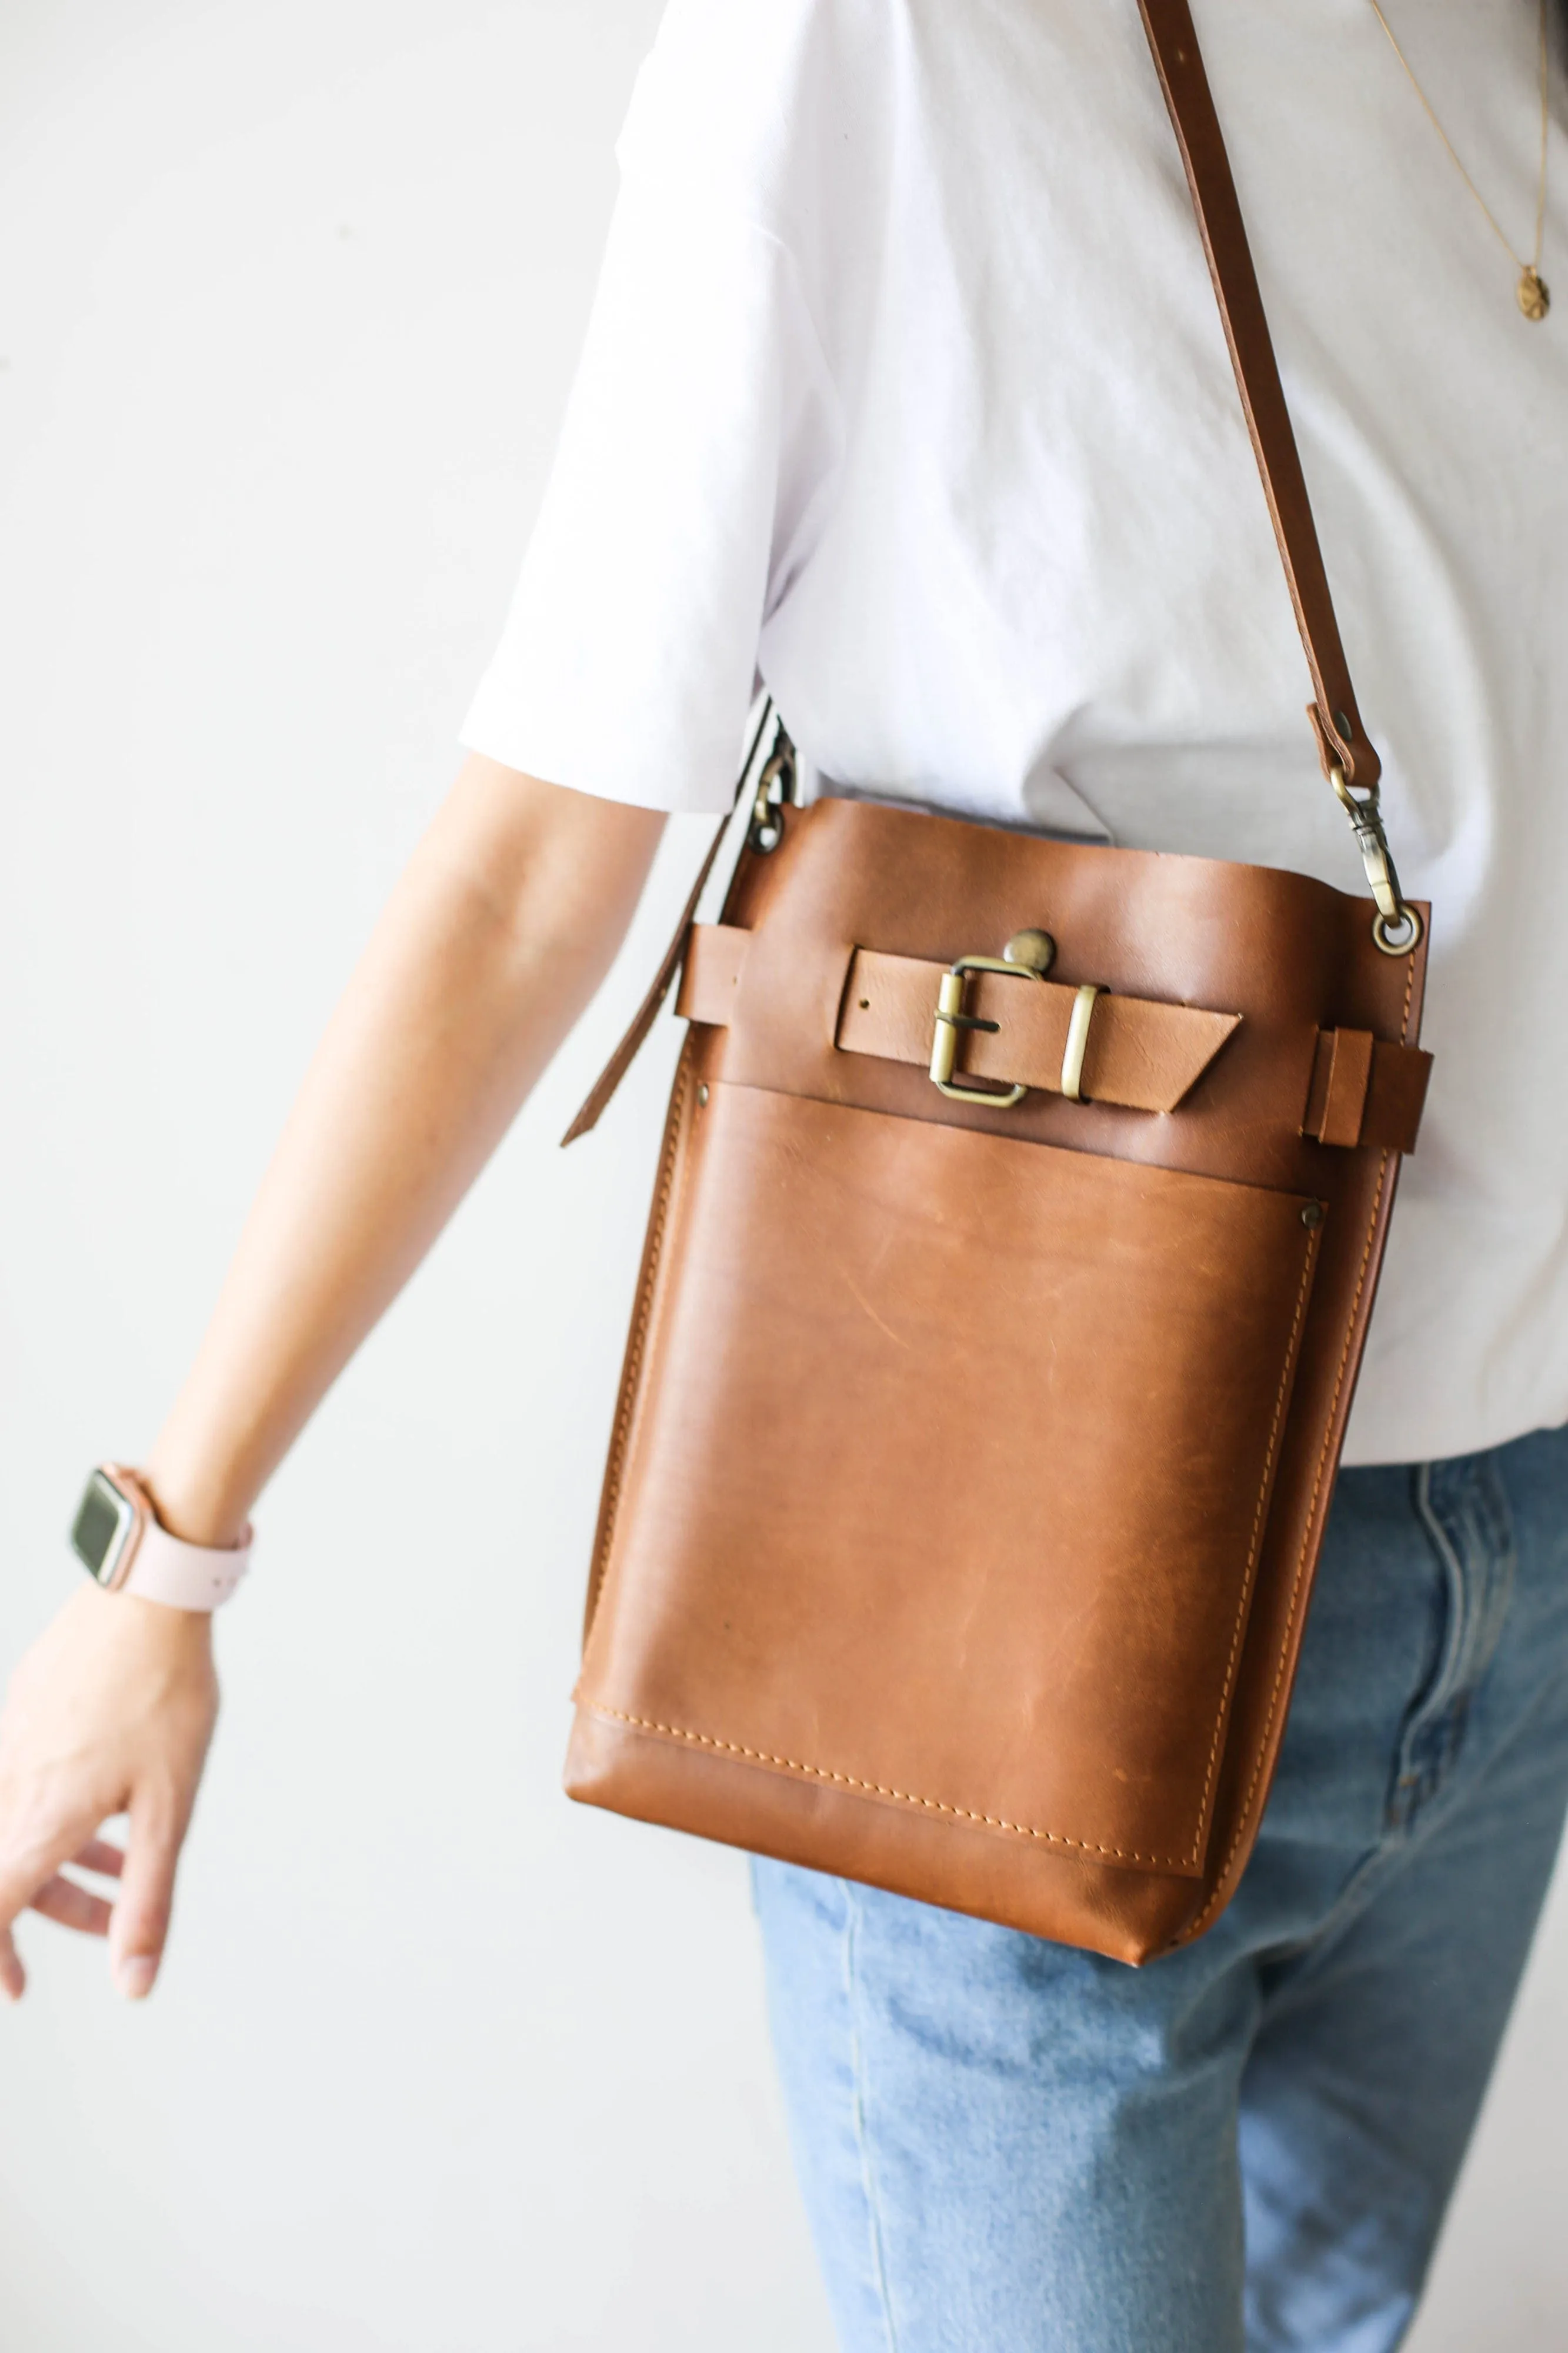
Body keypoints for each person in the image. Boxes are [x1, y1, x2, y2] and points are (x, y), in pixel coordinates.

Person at [2, 4, 1565, 2347]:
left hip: (1516, 1545)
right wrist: (167, 1551)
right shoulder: (873, 38)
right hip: (1006, 1580)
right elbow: (535, 860)